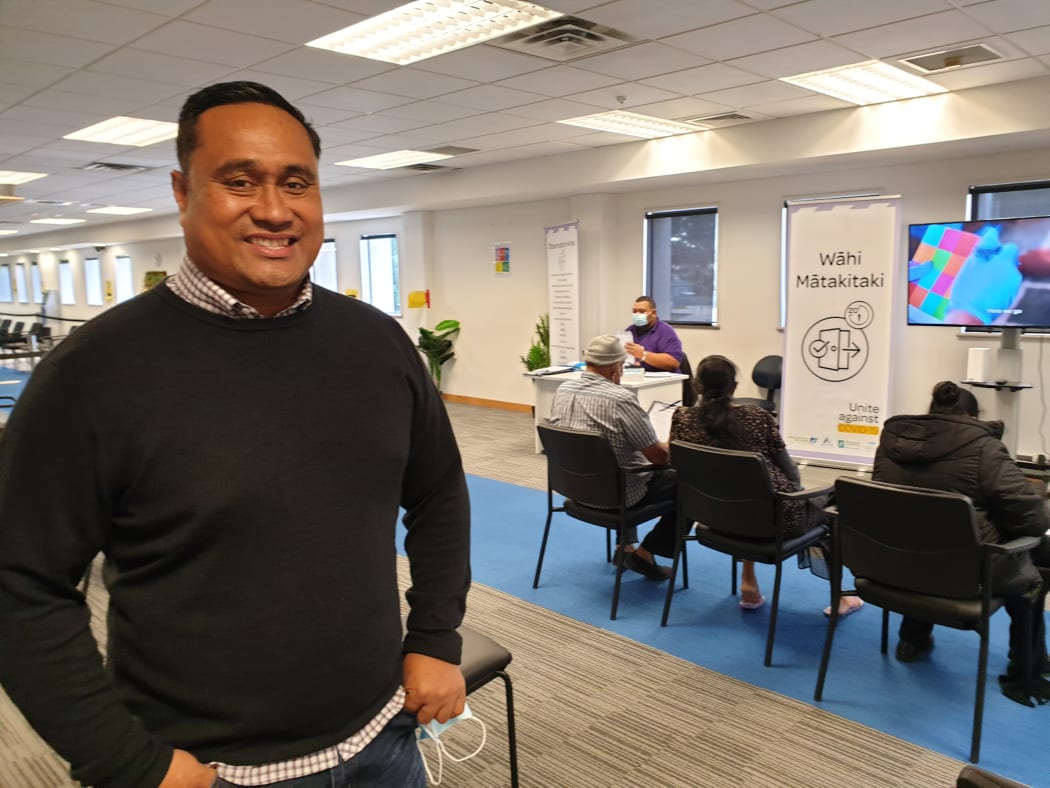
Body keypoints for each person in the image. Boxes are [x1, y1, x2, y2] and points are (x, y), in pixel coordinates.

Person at [0, 81, 471, 788]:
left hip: (384, 741)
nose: (275, 209)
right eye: (239, 180)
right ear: (182, 191)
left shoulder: (377, 343)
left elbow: (437, 494)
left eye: (295, 182)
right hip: (209, 770)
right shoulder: (94, 372)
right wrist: (126, 761)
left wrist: (436, 637)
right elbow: (19, 584)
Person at [874, 381, 1050, 703]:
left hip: (895, 567)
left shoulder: (889, 443)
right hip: (965, 576)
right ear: (969, 416)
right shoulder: (985, 449)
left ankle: (912, 639)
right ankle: (1026, 671)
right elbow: (1032, 519)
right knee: (1034, 572)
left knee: (921, 534)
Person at [670, 355, 863, 616]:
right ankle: (842, 598)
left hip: (711, 517)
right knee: (830, 505)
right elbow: (789, 473)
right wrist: (799, 496)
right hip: (771, 522)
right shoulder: (757, 417)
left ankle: (749, 582)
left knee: (746, 493)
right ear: (734, 387)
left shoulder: (682, 419)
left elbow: (678, 464)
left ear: (696, 386)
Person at [548, 335, 676, 580]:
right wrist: (671, 441)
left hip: (574, 489)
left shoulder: (563, 390)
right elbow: (658, 457)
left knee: (620, 460)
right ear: (616, 367)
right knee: (684, 485)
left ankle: (624, 547)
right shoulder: (621, 399)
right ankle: (645, 555)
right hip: (617, 496)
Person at [624, 295, 683, 372]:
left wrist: (643, 355)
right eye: (634, 311)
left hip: (664, 380)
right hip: (637, 377)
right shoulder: (630, 331)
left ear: (653, 313)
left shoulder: (665, 331)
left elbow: (674, 362)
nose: (637, 314)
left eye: (642, 311)